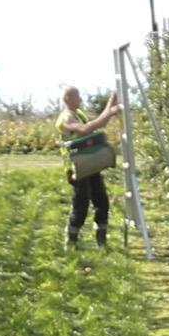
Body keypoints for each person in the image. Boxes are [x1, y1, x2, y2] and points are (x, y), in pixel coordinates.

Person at [58, 86, 122, 248]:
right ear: (67, 99)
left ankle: (101, 239)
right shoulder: (66, 118)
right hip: (78, 167)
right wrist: (110, 111)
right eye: (77, 97)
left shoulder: (78, 114)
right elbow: (85, 129)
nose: (80, 100)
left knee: (101, 201)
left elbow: (99, 123)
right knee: (81, 204)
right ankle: (71, 241)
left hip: (90, 163)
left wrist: (111, 102)